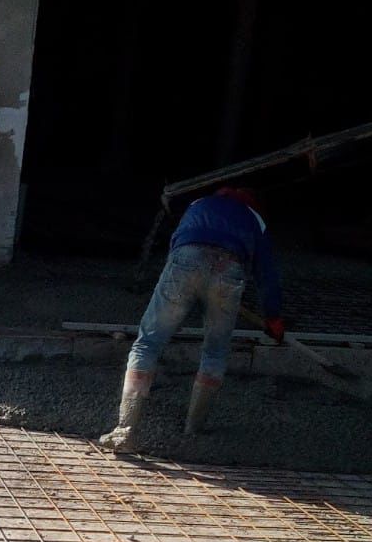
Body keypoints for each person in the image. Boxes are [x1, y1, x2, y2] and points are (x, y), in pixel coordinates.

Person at [99, 187, 287, 452]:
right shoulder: (254, 218)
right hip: (229, 269)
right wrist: (273, 317)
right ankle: (193, 430)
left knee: (147, 343)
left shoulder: (198, 204)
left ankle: (125, 429)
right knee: (215, 351)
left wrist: (187, 287)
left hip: (184, 261)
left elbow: (177, 243)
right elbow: (267, 274)